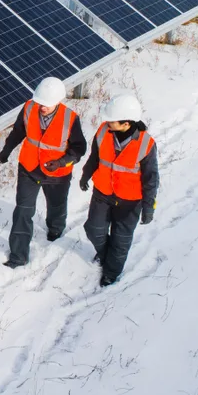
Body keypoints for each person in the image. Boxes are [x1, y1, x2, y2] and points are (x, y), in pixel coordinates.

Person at [0, 77, 87, 268]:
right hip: (29, 168)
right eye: (40, 102)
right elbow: (18, 132)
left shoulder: (70, 119)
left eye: (46, 104)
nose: (42, 107)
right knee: (23, 210)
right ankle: (18, 257)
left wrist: (62, 161)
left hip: (57, 174)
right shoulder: (29, 107)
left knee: (56, 205)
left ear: (58, 101)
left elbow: (80, 149)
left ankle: (55, 229)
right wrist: (7, 150)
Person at [79, 93, 159, 287]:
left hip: (129, 202)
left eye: (112, 121)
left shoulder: (146, 144)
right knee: (93, 229)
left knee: (120, 240)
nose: (107, 122)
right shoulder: (103, 132)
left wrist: (149, 207)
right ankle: (106, 254)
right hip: (103, 193)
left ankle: (111, 272)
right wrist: (85, 175)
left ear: (126, 124)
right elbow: (94, 158)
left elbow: (151, 179)